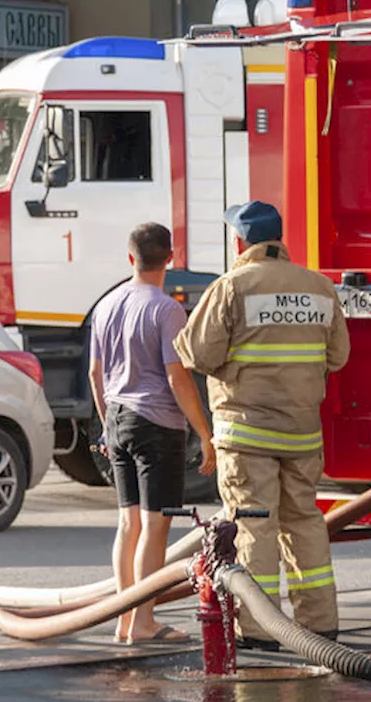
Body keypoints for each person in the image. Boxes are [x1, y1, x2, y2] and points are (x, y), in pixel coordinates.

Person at [174, 201, 350, 651]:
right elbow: (338, 357)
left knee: (254, 527)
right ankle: (320, 626)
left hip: (246, 434)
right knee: (305, 522)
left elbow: (196, 355)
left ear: (239, 241)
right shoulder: (319, 287)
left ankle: (260, 630)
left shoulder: (231, 287)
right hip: (302, 432)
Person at [89, 222, 217, 644]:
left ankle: (123, 621)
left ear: (130, 258)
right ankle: (143, 621)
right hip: (156, 425)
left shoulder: (106, 305)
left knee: (128, 524)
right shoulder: (166, 309)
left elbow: (95, 372)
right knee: (156, 524)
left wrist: (108, 422)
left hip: (118, 419)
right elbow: (177, 378)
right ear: (171, 257)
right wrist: (204, 431)